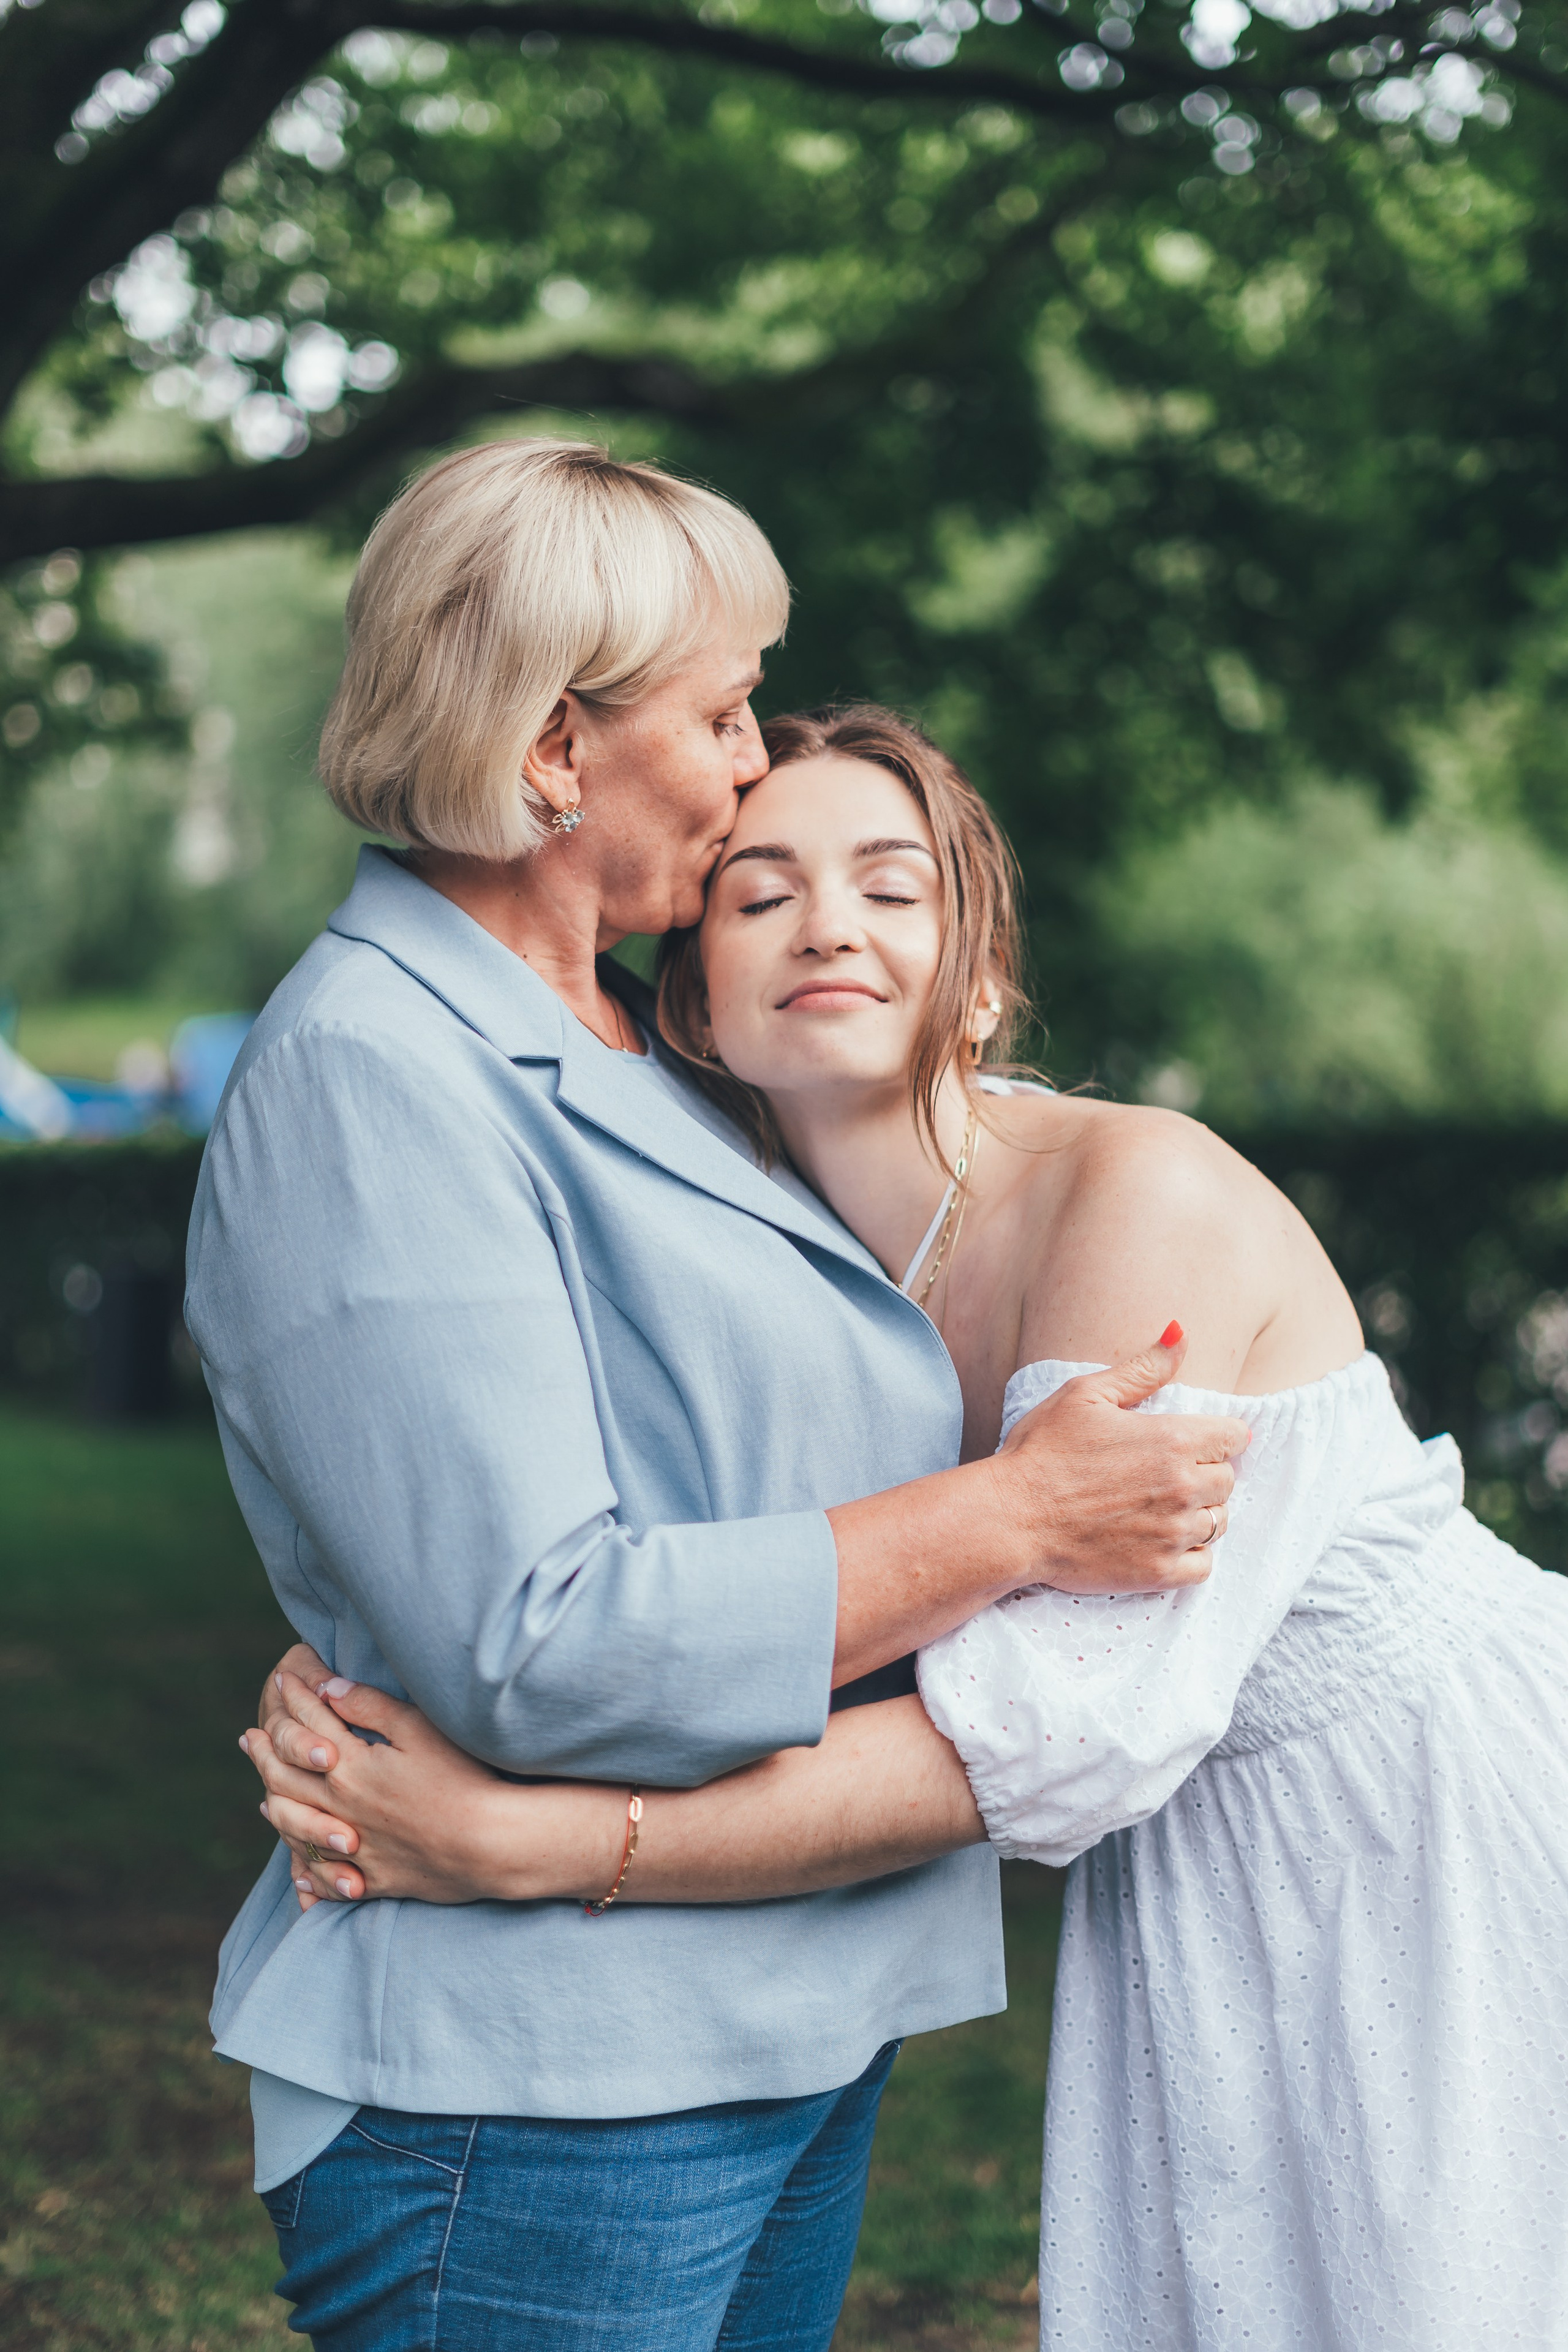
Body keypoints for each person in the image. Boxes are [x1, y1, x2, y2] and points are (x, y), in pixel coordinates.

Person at [250, 704, 1568, 2351]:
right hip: (1204, 1868)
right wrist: (387, 1658)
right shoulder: (774, 1267)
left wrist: (536, 1844)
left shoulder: (1131, 1200)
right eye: (762, 893)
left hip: (1431, 1814)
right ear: (695, 1002)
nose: (831, 927)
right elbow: (629, 1557)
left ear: (982, 972)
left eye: (890, 887)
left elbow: (1028, 1744)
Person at [190, 448, 1243, 2352]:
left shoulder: (663, 1046)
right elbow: (540, 1635)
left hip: (780, 2019)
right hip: (541, 2091)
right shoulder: (375, 1077)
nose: (761, 762)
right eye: (723, 710)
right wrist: (1016, 1517)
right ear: (549, 751)